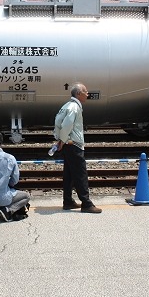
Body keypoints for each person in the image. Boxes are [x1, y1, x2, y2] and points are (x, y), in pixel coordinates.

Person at [53, 83, 101, 213]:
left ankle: (68, 201)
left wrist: (59, 138)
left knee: (69, 174)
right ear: (78, 94)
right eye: (85, 91)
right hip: (74, 144)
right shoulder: (75, 107)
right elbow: (67, 124)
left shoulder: (66, 106)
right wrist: (63, 140)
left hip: (68, 145)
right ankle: (86, 203)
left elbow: (58, 122)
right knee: (80, 174)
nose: (87, 94)